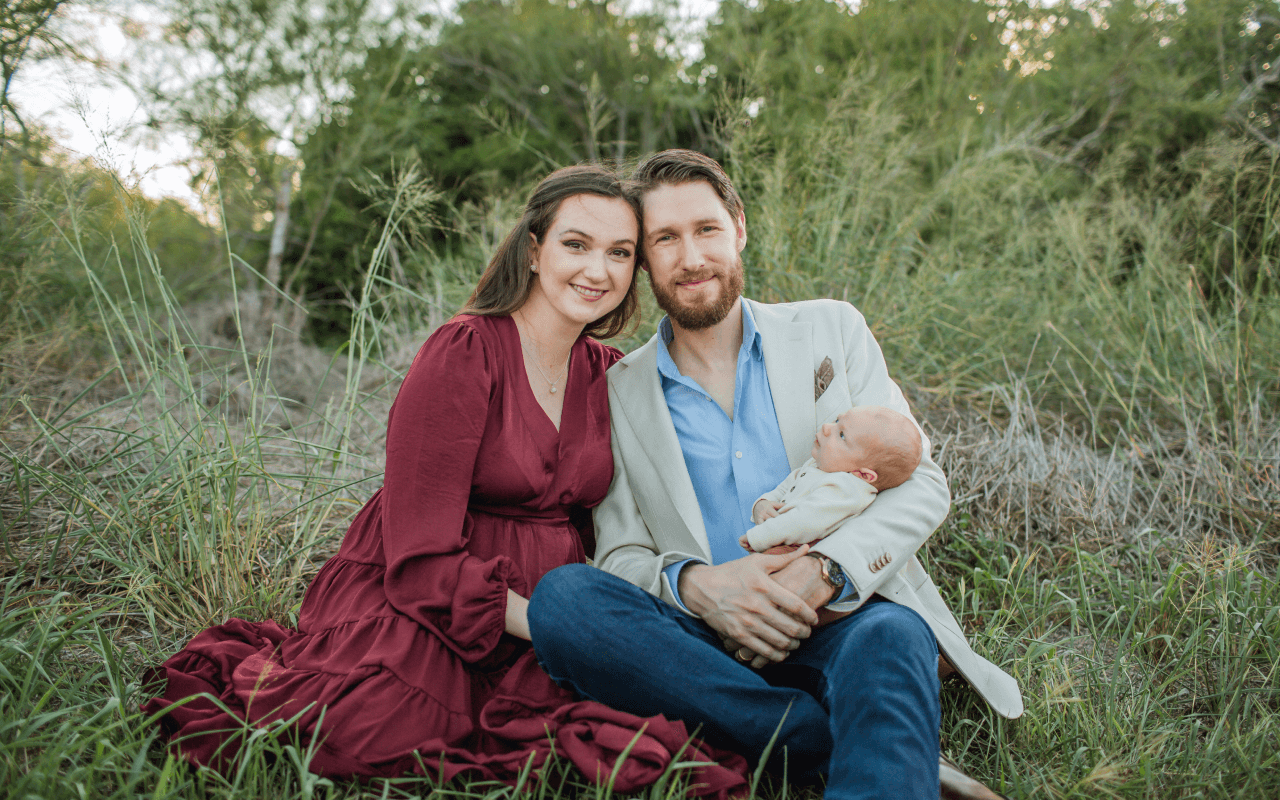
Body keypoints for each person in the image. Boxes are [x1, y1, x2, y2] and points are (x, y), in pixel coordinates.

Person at [142, 165, 747, 797]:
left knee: (649, 737)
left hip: (555, 598)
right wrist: (552, 627)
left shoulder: (611, 373)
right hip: (427, 598)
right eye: (576, 244)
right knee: (382, 732)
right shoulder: (465, 352)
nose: (598, 270)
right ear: (534, 250)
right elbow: (419, 558)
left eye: (620, 253)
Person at [527, 150, 1023, 800]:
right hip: (703, 636)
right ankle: (819, 738)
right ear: (645, 261)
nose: (692, 257)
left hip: (845, 613)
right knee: (564, 602)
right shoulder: (617, 388)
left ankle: (830, 746)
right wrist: (702, 588)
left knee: (894, 635)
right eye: (665, 240)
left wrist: (821, 574)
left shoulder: (830, 329)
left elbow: (922, 482)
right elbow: (620, 554)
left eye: (705, 229)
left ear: (738, 226)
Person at [741, 405, 922, 554]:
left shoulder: (846, 490)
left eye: (842, 435)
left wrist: (758, 537)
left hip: (797, 553)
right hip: (780, 542)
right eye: (837, 421)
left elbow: (804, 521)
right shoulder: (819, 466)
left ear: (864, 475)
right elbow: (786, 487)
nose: (827, 428)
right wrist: (764, 503)